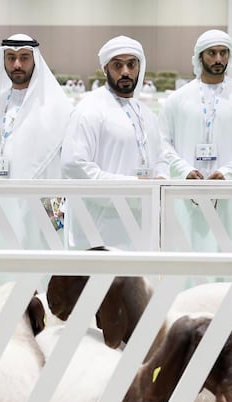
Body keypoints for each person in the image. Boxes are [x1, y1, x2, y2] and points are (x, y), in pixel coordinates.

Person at [157, 29, 232, 252]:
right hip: (187, 196)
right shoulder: (178, 100)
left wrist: (228, 172)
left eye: (223, 53)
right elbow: (161, 142)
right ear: (200, 56)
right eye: (212, 53)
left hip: (231, 198)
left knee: (229, 255)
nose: (218, 59)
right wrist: (185, 170)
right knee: (187, 257)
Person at [0, 33, 73, 249]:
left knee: (43, 269)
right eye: (11, 57)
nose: (17, 64)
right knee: (1, 268)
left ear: (35, 59)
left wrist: (59, 212)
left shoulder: (57, 105)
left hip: (42, 204)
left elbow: (67, 165)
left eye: (24, 57)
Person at [60, 35, 161, 250]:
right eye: (118, 65)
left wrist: (160, 179)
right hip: (99, 230)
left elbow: (161, 158)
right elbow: (74, 166)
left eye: (131, 64)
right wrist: (133, 187)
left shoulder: (146, 114)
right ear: (106, 69)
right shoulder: (90, 109)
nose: (125, 72)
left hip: (141, 226)